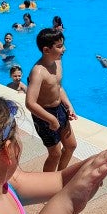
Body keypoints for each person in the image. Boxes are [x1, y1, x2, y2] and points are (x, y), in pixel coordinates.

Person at [26, 28, 78, 172]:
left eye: (63, 45)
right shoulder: (38, 72)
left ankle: (60, 176)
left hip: (59, 108)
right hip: (44, 115)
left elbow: (58, 87)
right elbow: (30, 103)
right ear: (46, 50)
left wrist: (68, 105)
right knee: (54, 154)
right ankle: (45, 184)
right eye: (59, 46)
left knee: (71, 146)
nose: (64, 49)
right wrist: (51, 120)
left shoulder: (58, 62)